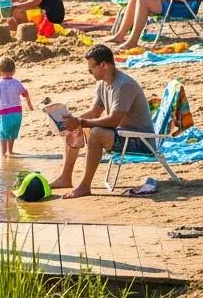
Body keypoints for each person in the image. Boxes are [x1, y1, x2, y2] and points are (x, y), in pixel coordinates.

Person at [48, 44, 153, 198]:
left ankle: (85, 186)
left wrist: (81, 121)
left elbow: (113, 121)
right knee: (75, 128)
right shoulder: (102, 84)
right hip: (122, 134)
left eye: (91, 69)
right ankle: (66, 177)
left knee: (95, 132)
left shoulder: (124, 85)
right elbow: (94, 113)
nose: (89, 72)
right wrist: (73, 121)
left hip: (141, 141)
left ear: (103, 65)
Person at [0, 56, 33, 158]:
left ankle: (3, 152)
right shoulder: (17, 83)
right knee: (13, 132)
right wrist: (29, 104)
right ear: (13, 71)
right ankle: (10, 151)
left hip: (4, 113)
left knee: (3, 133)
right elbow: (25, 93)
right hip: (17, 113)